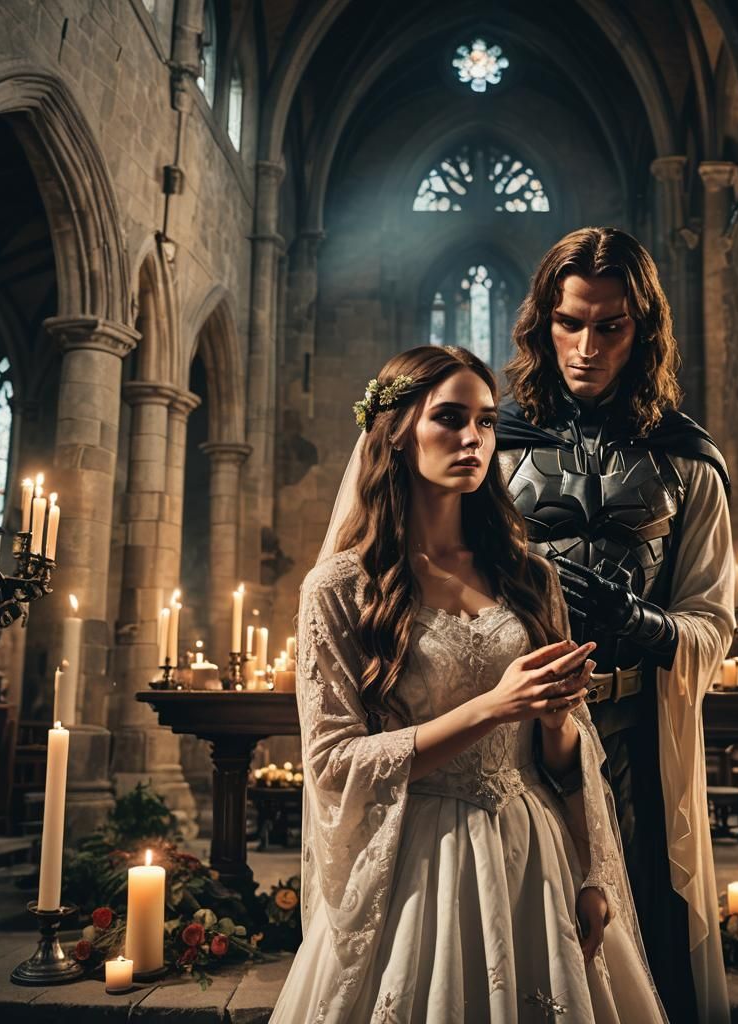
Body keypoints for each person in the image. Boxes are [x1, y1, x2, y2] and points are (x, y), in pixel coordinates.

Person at [272, 346, 667, 1023]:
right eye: (449, 419)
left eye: (485, 422)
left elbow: (571, 750)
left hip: (535, 850)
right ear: (396, 433)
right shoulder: (338, 589)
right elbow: (332, 764)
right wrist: (494, 706)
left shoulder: (530, 576)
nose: (472, 439)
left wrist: (592, 865)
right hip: (417, 862)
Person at [496, 227, 734, 1024]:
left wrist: (646, 624)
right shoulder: (489, 452)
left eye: (611, 326)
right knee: (526, 940)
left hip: (634, 730)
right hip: (517, 738)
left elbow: (714, 620)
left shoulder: (687, 459)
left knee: (639, 939)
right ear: (542, 322)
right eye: (570, 323)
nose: (588, 346)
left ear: (644, 329)